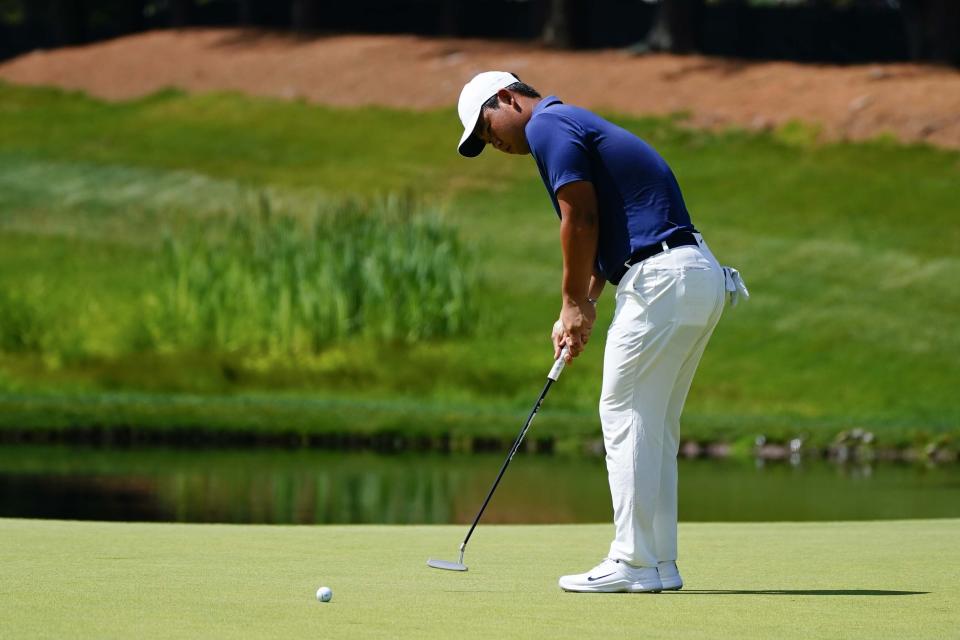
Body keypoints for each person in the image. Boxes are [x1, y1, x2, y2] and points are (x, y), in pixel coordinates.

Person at [456, 71, 742, 593]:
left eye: (486, 126)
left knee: (624, 412)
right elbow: (604, 231)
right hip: (693, 276)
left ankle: (632, 561)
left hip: (662, 278)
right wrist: (584, 303)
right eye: (481, 141)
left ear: (506, 98)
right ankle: (658, 564)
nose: (490, 141)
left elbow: (580, 218)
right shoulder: (571, 124)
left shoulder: (547, 125)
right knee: (652, 424)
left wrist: (570, 303)